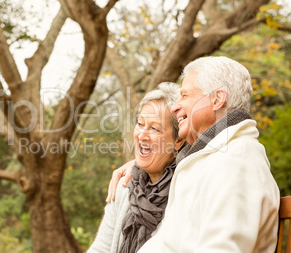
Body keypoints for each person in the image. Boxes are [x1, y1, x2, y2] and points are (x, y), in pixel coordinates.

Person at [107, 56, 280, 253]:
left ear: (217, 99)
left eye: (185, 95)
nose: (175, 106)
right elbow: (166, 244)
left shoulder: (236, 161)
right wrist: (137, 164)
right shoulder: (211, 159)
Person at [88, 82, 185, 253]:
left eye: (154, 129)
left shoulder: (185, 190)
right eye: (140, 124)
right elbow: (101, 248)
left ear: (178, 140)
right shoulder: (125, 185)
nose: (141, 135)